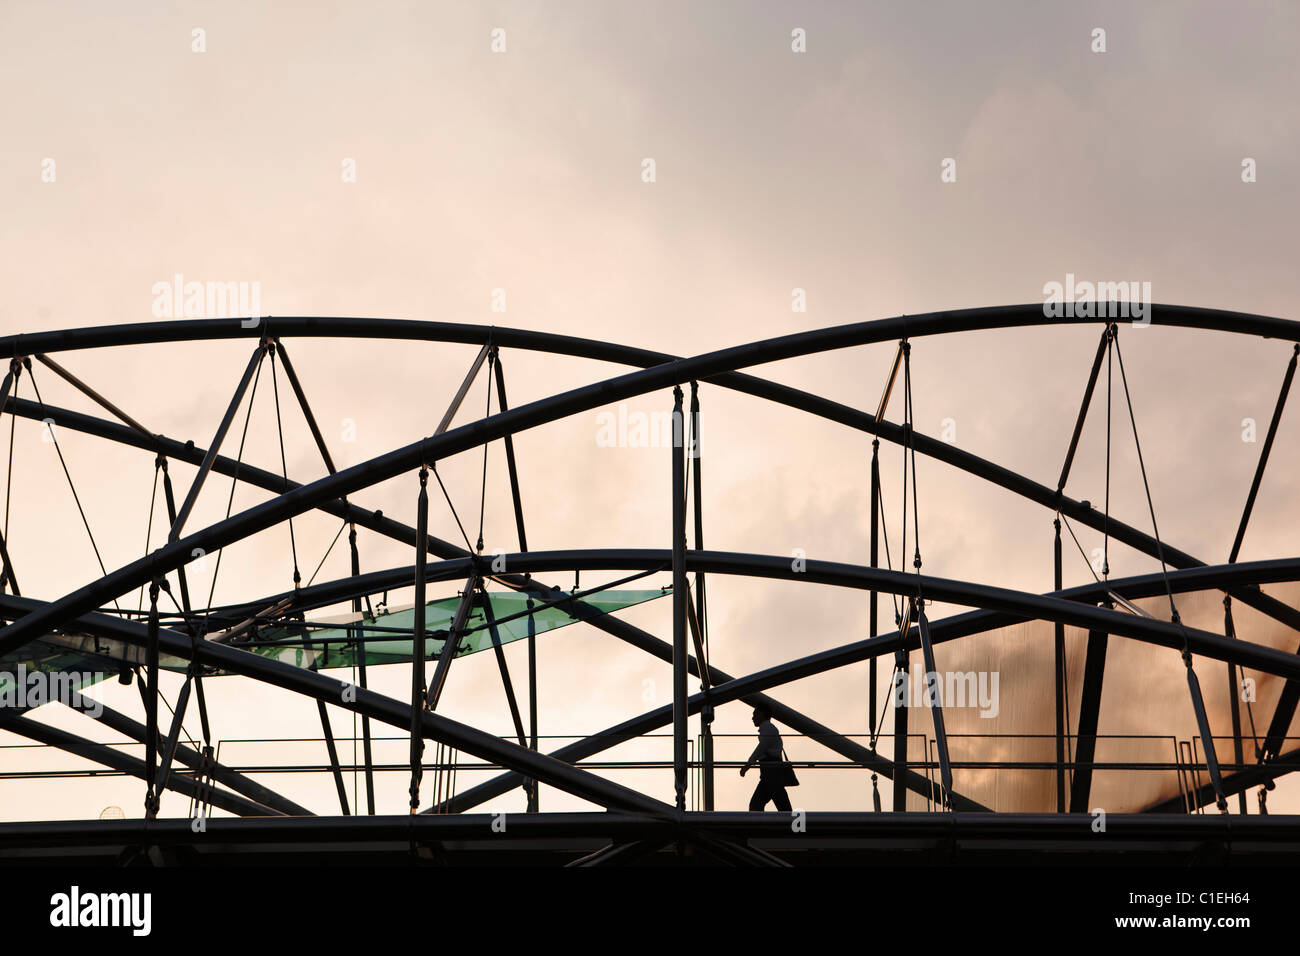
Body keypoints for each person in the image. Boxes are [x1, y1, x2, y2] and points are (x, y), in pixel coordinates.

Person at [740, 704, 791, 811]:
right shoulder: (769, 729)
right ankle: (791, 825)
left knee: (757, 805)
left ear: (762, 714)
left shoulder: (767, 728)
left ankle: (791, 825)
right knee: (780, 806)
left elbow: (760, 749)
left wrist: (747, 766)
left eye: (755, 714)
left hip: (771, 774)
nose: (752, 718)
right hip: (769, 774)